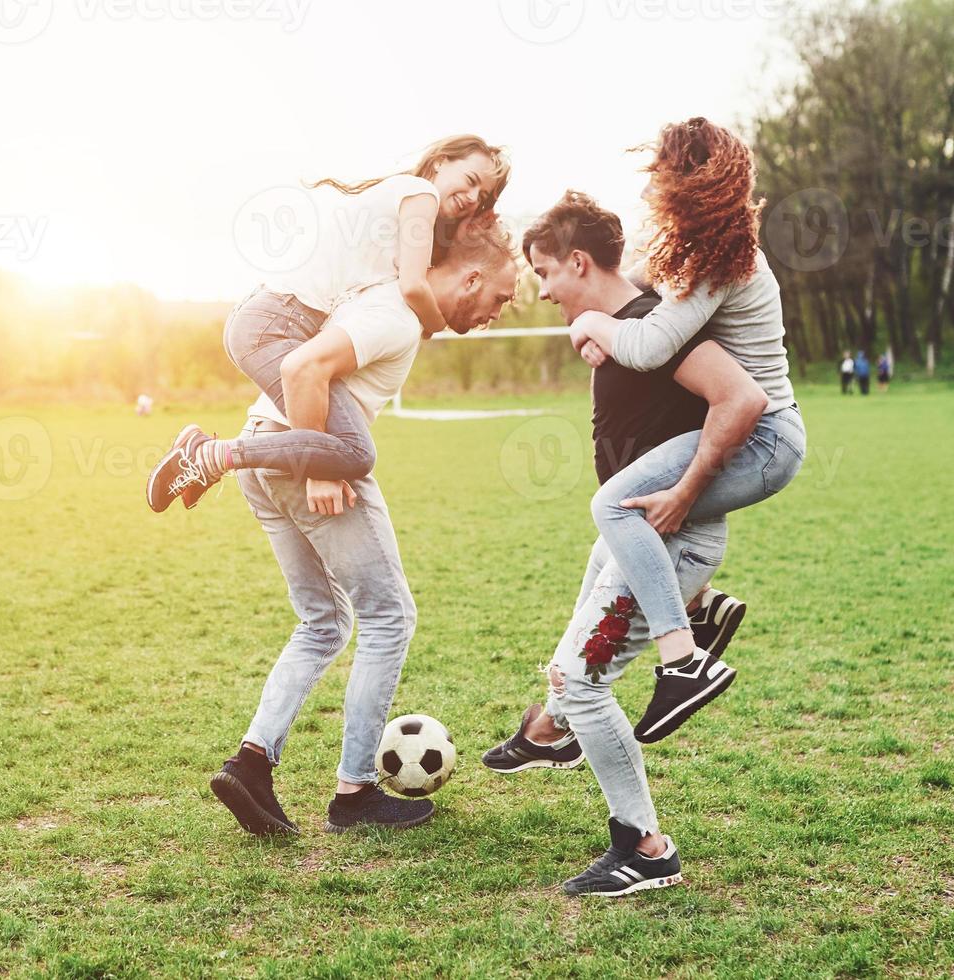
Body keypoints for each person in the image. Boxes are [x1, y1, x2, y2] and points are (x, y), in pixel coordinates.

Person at [481, 191, 767, 896]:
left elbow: (737, 397)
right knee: (568, 675)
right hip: (627, 539)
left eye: (545, 272)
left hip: (666, 540)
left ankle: (645, 849)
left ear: (578, 262)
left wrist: (689, 499)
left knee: (583, 682)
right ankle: (547, 732)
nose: (541, 289)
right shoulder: (625, 321)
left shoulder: (649, 324)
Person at [209, 222, 518, 837]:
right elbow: (301, 368)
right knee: (388, 617)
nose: (497, 312)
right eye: (502, 296)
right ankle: (354, 794)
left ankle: (251, 764)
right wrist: (323, 463)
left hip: (265, 446)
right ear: (472, 276)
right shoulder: (394, 314)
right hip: (300, 459)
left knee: (323, 621)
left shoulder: (376, 298)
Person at [564, 118, 804, 742]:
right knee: (631, 511)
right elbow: (646, 290)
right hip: (765, 434)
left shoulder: (719, 261)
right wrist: (601, 324)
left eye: (661, 179)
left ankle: (683, 663)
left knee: (616, 505)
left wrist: (593, 321)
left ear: (690, 184)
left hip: (764, 437)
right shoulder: (712, 251)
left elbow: (646, 344)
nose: (650, 192)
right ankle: (701, 611)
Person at [146, 136, 510, 513]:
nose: (472, 196)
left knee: (351, 448)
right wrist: (435, 326)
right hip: (277, 323)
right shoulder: (421, 195)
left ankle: (206, 455)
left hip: (268, 319)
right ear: (440, 162)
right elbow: (414, 286)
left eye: (482, 195)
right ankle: (205, 456)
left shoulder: (402, 202)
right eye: (469, 180)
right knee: (355, 451)